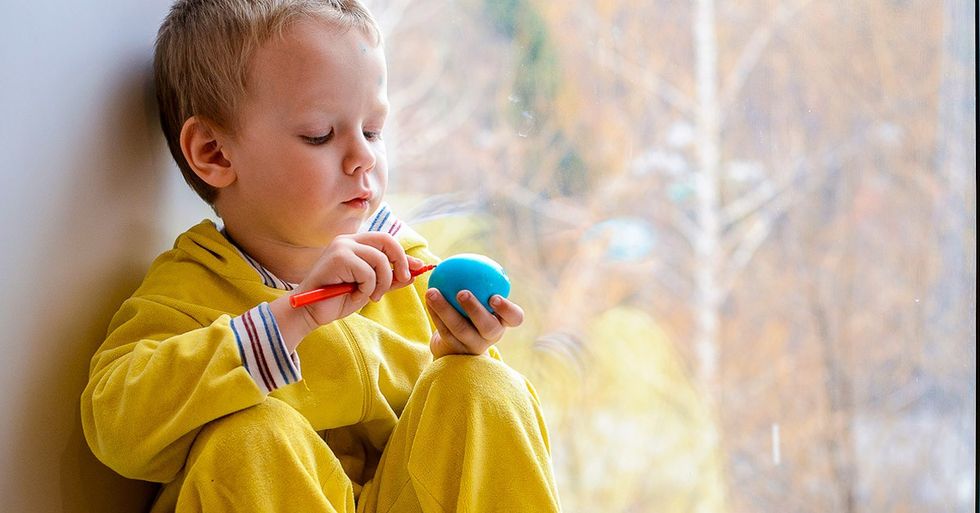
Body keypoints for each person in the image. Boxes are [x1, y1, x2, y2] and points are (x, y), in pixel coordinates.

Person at [80, 1, 561, 511]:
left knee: (484, 386)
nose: (364, 158)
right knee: (252, 435)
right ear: (215, 153)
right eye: (320, 135)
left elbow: (473, 450)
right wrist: (290, 320)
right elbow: (116, 428)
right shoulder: (189, 288)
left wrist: (460, 352)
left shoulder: (410, 267)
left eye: (373, 131)